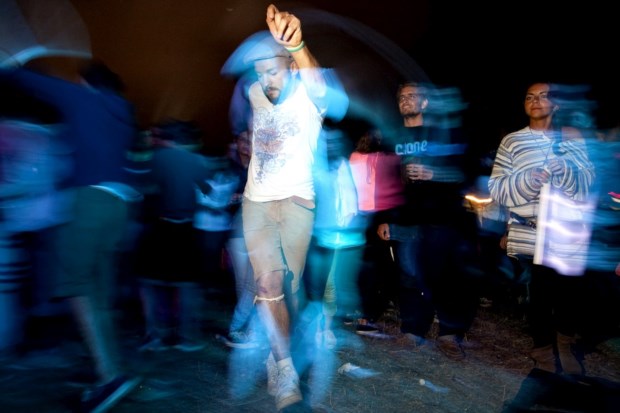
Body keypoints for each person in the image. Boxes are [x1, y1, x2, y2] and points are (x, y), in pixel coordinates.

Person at [0, 60, 143, 412]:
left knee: (79, 288)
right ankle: (108, 367)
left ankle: (109, 376)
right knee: (98, 291)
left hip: (87, 201)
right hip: (119, 204)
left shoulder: (84, 98)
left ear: (85, 81)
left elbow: (28, 80)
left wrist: (11, 63)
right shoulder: (123, 111)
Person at [235, 4, 348, 411]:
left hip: (298, 204)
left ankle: (278, 349)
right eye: (260, 72)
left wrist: (297, 45)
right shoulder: (254, 93)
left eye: (273, 70)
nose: (266, 80)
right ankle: (285, 370)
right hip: (257, 204)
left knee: (290, 291)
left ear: (291, 67)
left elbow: (316, 81)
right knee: (268, 285)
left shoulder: (310, 94)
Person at [488, 81, 595, 374]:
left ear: (556, 105)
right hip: (529, 232)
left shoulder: (573, 140)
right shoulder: (512, 141)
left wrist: (568, 171)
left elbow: (589, 183)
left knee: (569, 293)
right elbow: (496, 186)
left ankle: (565, 344)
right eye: (529, 97)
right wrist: (527, 180)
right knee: (538, 295)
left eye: (543, 96)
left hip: (566, 233)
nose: (535, 101)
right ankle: (543, 350)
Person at [376, 81, 480, 360]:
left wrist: (434, 174)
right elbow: (386, 182)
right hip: (406, 219)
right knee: (409, 275)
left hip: (442, 218)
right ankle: (412, 331)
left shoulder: (444, 134)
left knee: (445, 277)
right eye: (402, 97)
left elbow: (465, 174)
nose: (405, 100)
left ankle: (449, 334)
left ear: (424, 103)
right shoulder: (393, 137)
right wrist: (384, 218)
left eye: (412, 96)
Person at [134, 119, 211, 353]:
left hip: (160, 226)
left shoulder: (156, 158)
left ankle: (156, 334)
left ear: (165, 138)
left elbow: (143, 189)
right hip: (187, 227)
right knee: (187, 284)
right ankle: (188, 337)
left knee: (150, 282)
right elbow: (207, 190)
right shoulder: (197, 160)